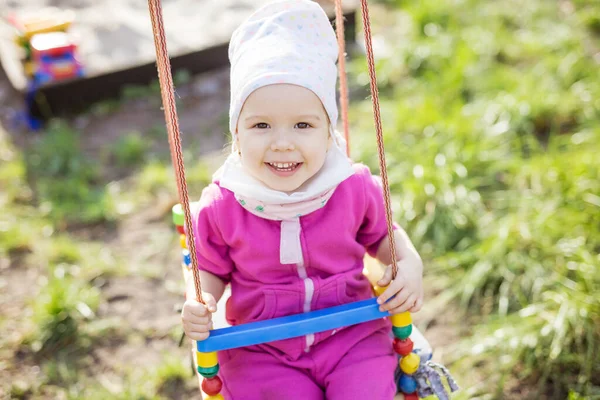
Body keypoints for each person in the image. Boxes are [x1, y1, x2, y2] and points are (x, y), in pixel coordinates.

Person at [182, 1, 423, 398]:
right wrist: (201, 299)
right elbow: (208, 268)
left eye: (303, 125)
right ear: (236, 134)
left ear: (328, 133)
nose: (282, 142)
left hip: (352, 336)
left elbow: (385, 237)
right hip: (261, 349)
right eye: (260, 125)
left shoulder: (351, 186)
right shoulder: (223, 205)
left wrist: (409, 262)